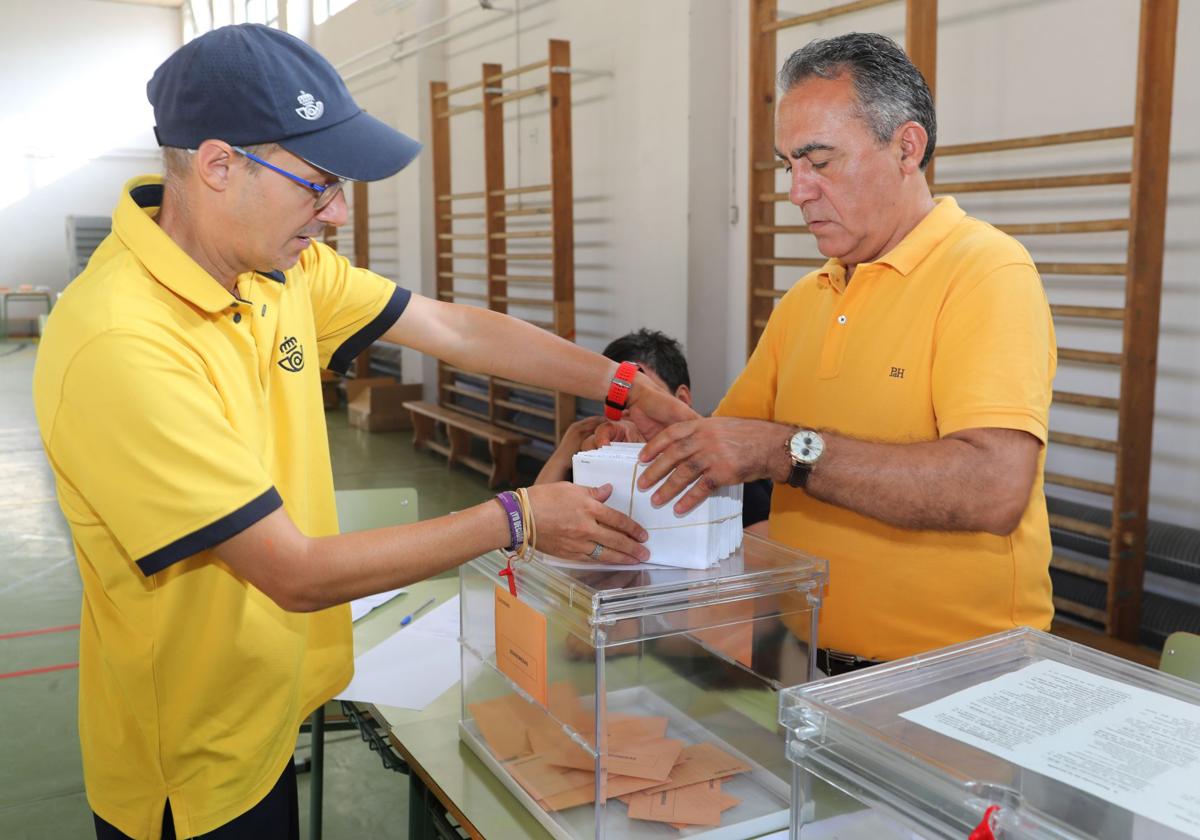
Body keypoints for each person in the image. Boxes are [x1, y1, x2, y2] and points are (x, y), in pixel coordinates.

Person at [31, 25, 691, 840]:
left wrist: (621, 383)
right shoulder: (121, 343)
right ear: (216, 165)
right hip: (194, 769)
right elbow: (292, 572)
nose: (337, 213)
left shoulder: (276, 269)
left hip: (269, 711)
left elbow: (450, 329)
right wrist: (519, 517)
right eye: (318, 183)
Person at [633, 33, 1057, 675]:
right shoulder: (808, 297)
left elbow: (993, 488)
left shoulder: (985, 270)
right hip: (803, 654)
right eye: (788, 165)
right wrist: (648, 427)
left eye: (820, 161)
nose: (797, 190)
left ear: (905, 148)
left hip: (951, 675)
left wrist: (785, 451)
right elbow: (727, 443)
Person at [536, 328, 772, 529]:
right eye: (614, 404)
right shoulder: (593, 463)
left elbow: (764, 545)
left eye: (637, 399)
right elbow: (534, 534)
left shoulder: (725, 470)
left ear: (681, 400)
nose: (623, 415)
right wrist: (563, 455)